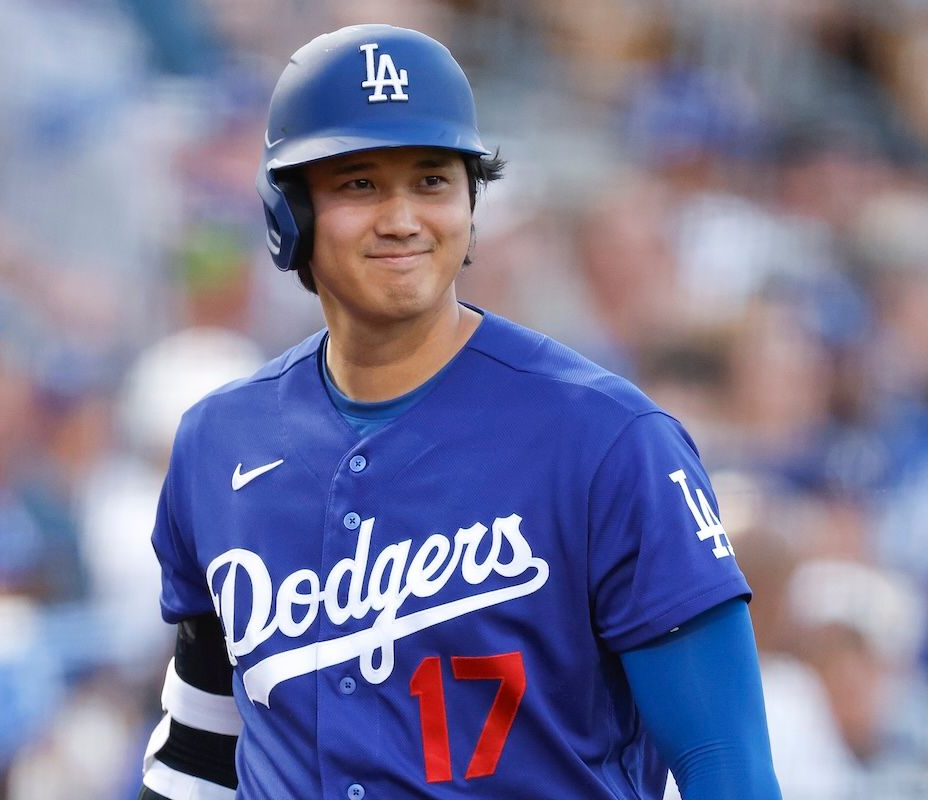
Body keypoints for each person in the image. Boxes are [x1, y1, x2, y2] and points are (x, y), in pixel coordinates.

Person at [140, 24, 781, 799]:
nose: (403, 218)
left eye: (433, 180)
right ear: (291, 210)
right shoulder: (220, 441)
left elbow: (728, 768)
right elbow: (200, 752)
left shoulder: (610, 441)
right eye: (359, 184)